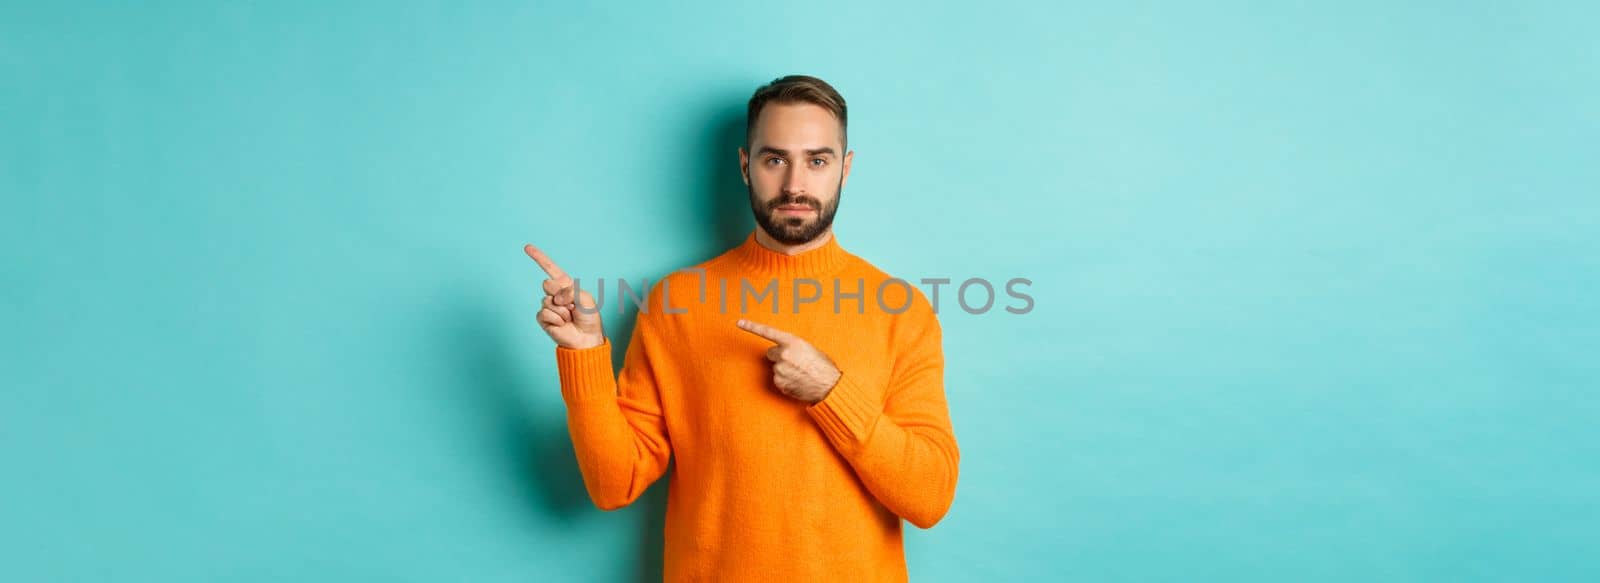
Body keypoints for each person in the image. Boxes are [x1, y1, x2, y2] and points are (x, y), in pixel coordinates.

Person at [524, 74, 959, 581]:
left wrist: (832, 392)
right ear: (745, 166)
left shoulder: (901, 310)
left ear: (845, 168)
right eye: (775, 159)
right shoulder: (674, 302)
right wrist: (586, 355)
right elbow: (612, 484)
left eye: (817, 160)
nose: (795, 184)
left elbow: (930, 497)